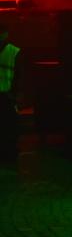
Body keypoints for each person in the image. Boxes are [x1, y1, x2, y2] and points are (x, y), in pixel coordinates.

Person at [0, 22, 21, 160]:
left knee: (8, 127)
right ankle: (9, 154)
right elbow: (19, 75)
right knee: (9, 127)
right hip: (7, 95)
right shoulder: (14, 52)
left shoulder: (14, 51)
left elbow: (19, 75)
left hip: (7, 96)